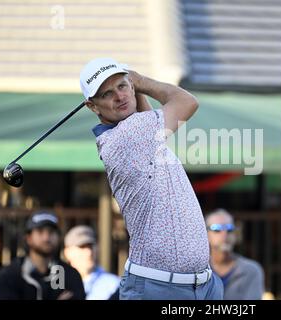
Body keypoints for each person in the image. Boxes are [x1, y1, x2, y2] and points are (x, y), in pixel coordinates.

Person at [79, 57, 223, 300]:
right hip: (158, 288)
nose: (119, 96)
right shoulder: (126, 136)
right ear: (93, 106)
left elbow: (148, 120)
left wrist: (134, 89)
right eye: (107, 94)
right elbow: (186, 101)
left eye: (122, 86)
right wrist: (140, 81)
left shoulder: (140, 133)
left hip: (202, 284)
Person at [0, 211, 85, 300]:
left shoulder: (70, 276)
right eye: (40, 231)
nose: (46, 237)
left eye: (51, 232)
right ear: (28, 238)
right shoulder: (9, 275)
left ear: (59, 237)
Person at [205, 209, 264, 300]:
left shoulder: (251, 270)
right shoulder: (198, 270)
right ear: (206, 234)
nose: (224, 234)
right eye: (216, 229)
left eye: (229, 229)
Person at [63, 225, 120, 300]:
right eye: (82, 247)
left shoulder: (115, 285)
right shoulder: (58, 284)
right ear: (68, 252)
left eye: (91, 246)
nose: (89, 252)